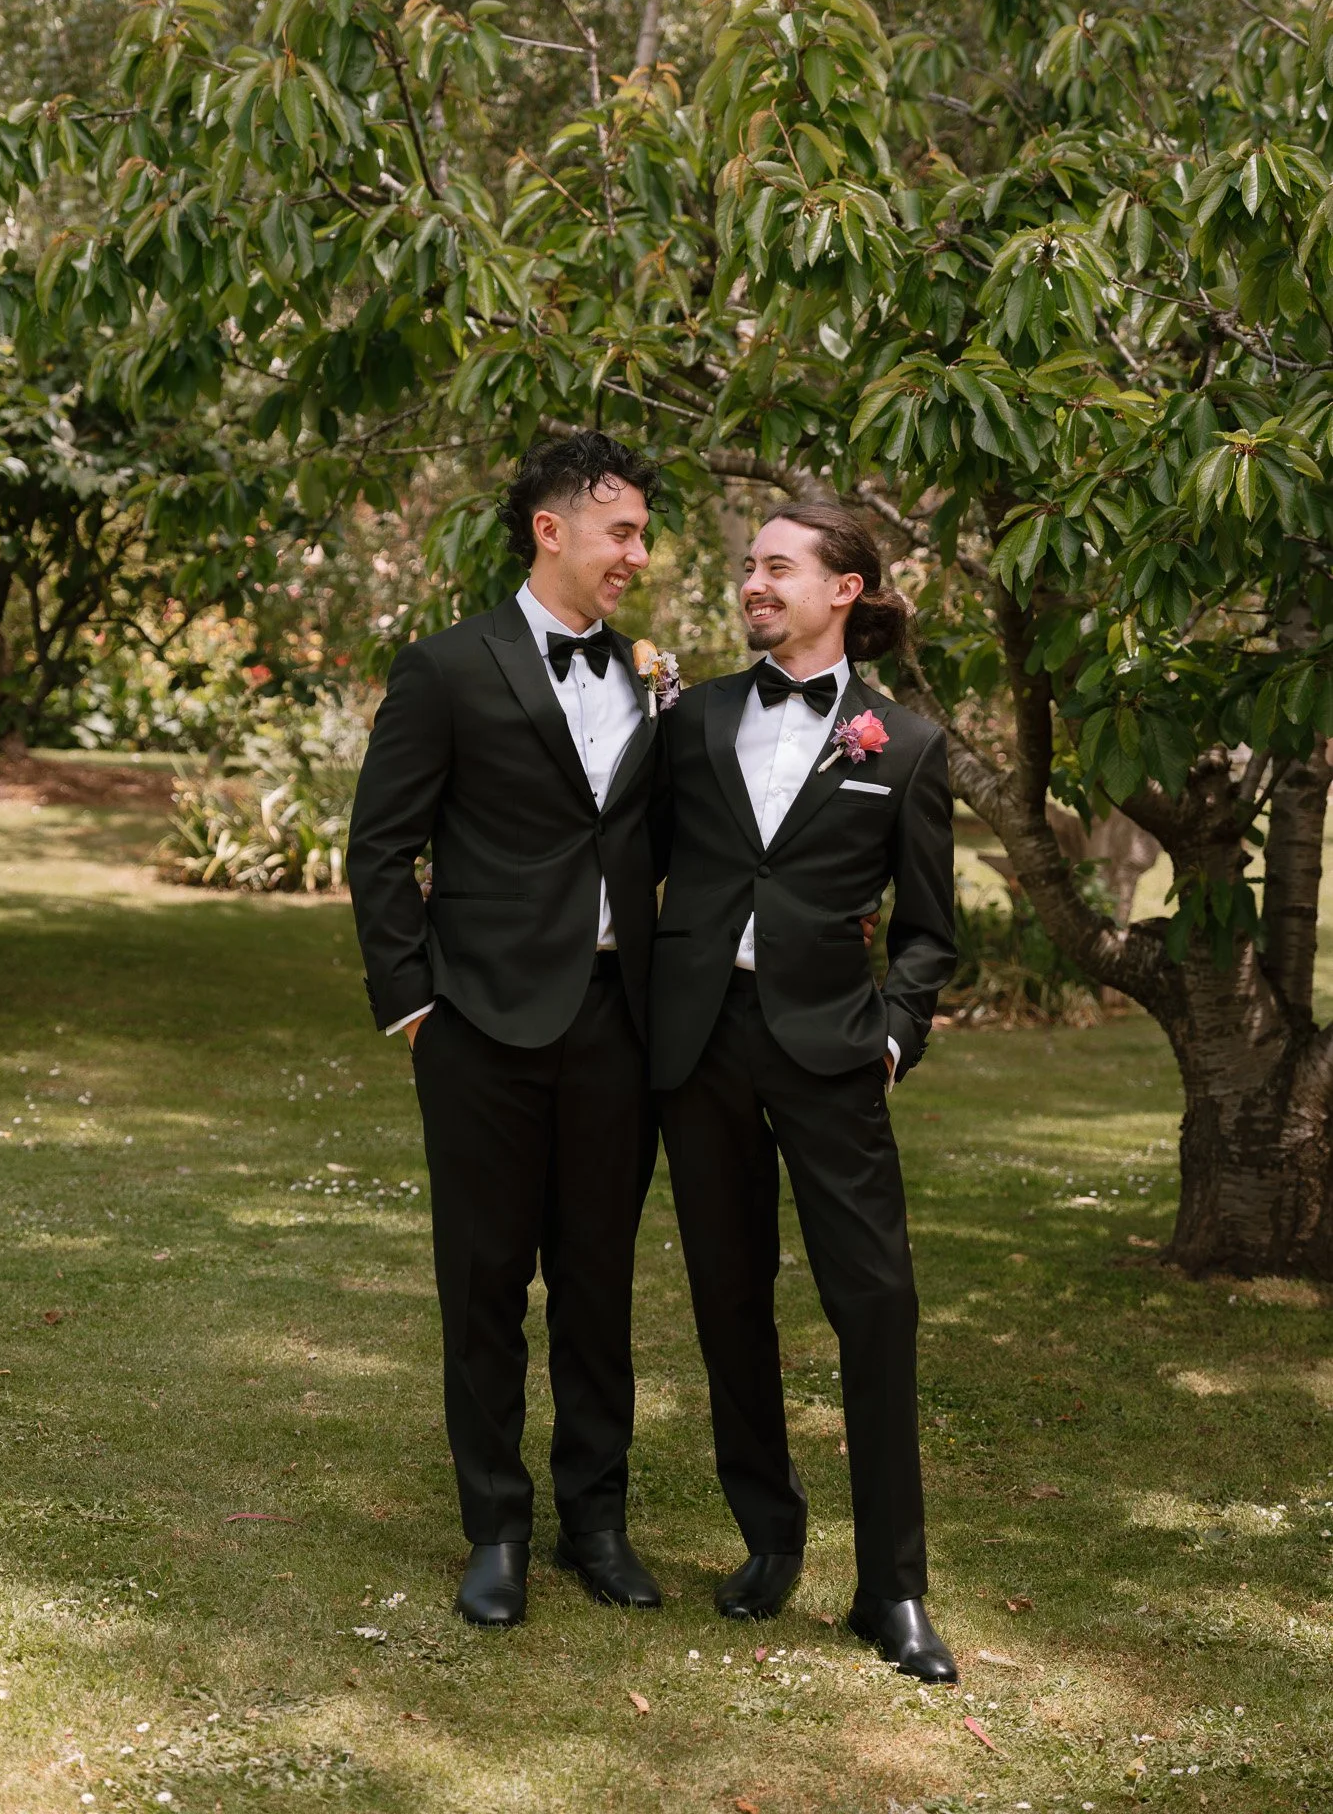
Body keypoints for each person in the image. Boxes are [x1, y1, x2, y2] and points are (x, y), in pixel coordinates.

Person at [347, 432, 664, 1629]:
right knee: (483, 1281)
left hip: (616, 1022)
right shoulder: (445, 666)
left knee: (598, 1281)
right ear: (552, 527)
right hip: (477, 1021)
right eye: (620, 530)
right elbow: (380, 847)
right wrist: (417, 1004)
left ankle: (598, 1520)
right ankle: (497, 1526)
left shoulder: (649, 676)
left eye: (641, 533)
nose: (637, 552)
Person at [650, 500, 960, 1681]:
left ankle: (892, 1587)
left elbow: (933, 930)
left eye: (777, 567)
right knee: (729, 1297)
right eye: (747, 567)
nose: (752, 583)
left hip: (833, 1050)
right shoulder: (697, 720)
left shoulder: (908, 743)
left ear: (846, 587)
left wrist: (892, 1035)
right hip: (702, 1044)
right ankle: (768, 1542)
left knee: (875, 1304)